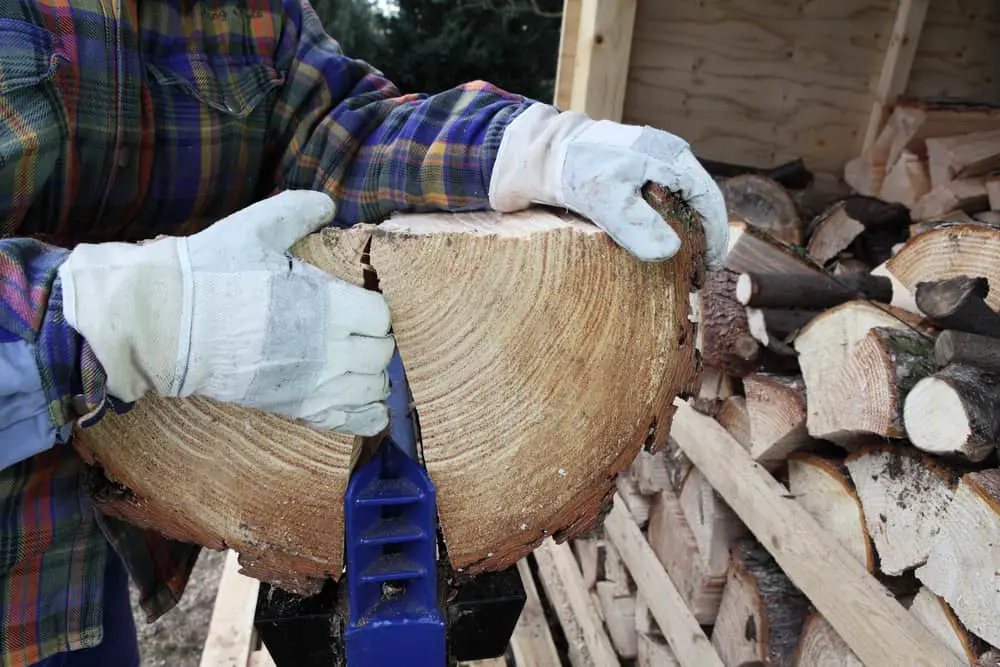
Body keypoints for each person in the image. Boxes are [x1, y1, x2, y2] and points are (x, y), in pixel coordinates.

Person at [0, 0, 729, 664]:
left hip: (62, 571)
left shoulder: (240, 14)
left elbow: (337, 128)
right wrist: (116, 321)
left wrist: (527, 146)